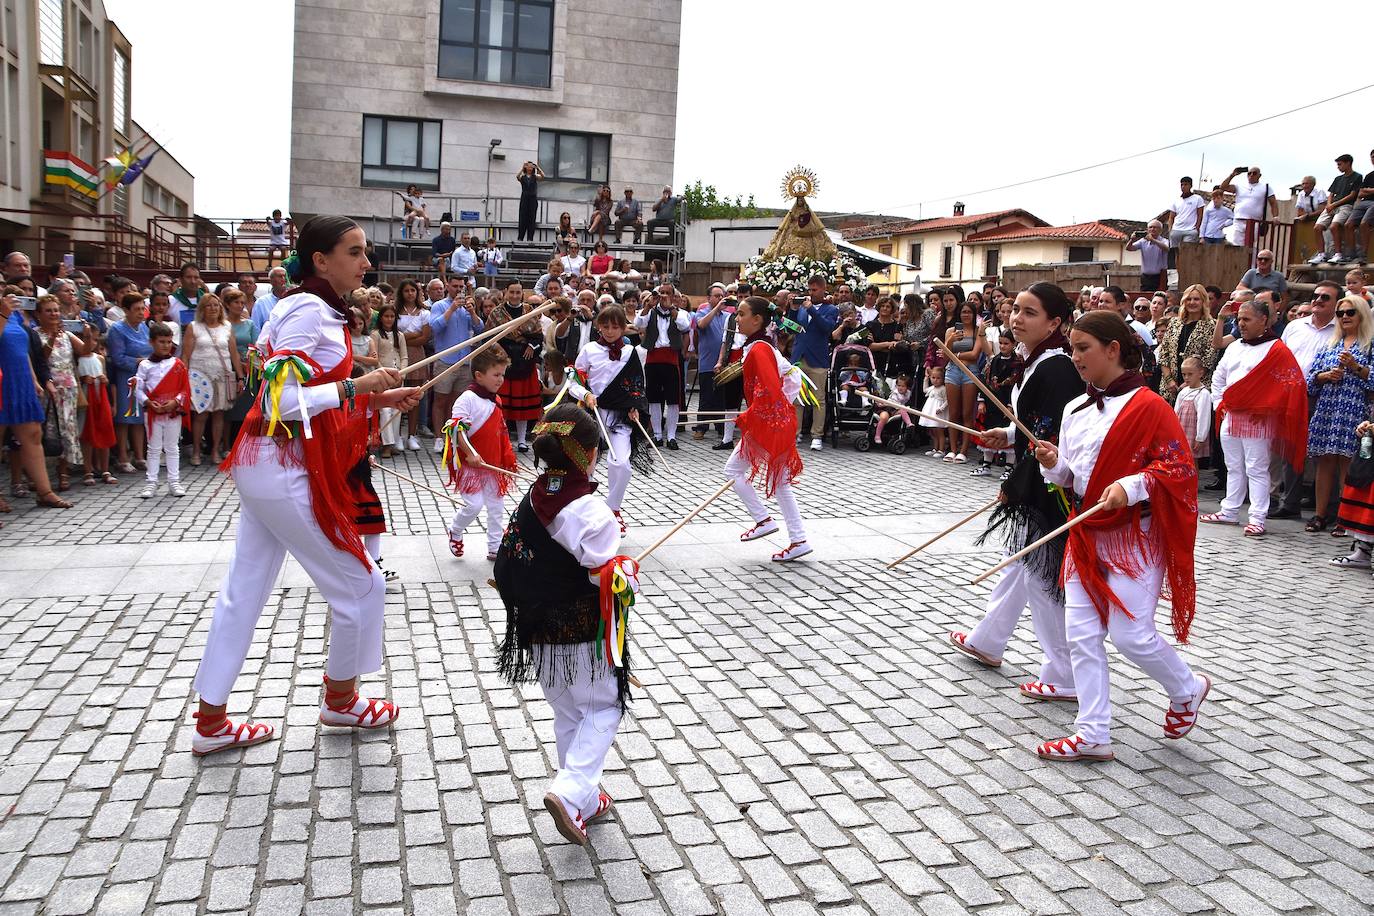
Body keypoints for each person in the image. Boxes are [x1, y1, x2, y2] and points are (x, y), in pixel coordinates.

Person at [190, 216, 421, 756]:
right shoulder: (307, 312)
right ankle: (341, 700)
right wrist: (354, 387)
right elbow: (275, 402)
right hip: (280, 463)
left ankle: (212, 721)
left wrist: (372, 397)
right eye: (355, 251)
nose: (367, 262)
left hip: (271, 463)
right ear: (320, 259)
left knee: (243, 592)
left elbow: (309, 392)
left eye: (365, 252)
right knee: (363, 584)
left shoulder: (313, 309)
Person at [1032, 310, 1209, 762]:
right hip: (1085, 533)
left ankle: (1187, 688)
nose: (1074, 357)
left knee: (1131, 636)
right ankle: (1092, 733)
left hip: (1135, 535)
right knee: (1082, 636)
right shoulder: (1074, 408)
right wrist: (1053, 462)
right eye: (1071, 348)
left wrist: (1129, 487)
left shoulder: (1150, 406)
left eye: (1082, 348)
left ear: (1113, 350)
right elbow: (1071, 479)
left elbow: (1177, 469)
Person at [492, 404, 636, 846]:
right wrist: (625, 570)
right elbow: (602, 577)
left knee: (569, 712)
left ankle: (586, 799)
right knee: (603, 707)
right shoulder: (591, 512)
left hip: (538, 631)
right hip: (580, 633)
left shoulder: (535, 495)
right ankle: (570, 790)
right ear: (590, 455)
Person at [948, 283, 1083, 701]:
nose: (1016, 319)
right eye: (1016, 311)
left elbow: (1054, 437)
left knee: (1041, 578)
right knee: (1019, 566)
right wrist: (1006, 435)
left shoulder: (1057, 368)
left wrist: (1015, 482)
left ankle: (1064, 674)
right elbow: (1030, 425)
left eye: (1029, 313)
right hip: (1037, 475)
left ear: (1055, 322)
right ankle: (988, 639)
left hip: (1050, 484)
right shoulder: (1036, 361)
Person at [1204, 299, 1308, 537]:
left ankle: (1257, 517)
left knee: (1256, 468)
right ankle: (1229, 510)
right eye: (1239, 319)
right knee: (1233, 466)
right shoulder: (1234, 347)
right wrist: (1220, 404)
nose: (1241, 323)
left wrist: (1266, 405)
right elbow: (1218, 378)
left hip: (1258, 419)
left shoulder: (1277, 349)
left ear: (1263, 320)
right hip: (1230, 414)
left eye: (1246, 319)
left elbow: (1291, 383)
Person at [727, 297, 811, 562]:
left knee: (733, 471)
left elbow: (769, 389)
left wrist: (749, 416)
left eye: (741, 314)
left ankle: (764, 520)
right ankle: (796, 538)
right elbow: (780, 385)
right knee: (782, 482)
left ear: (758, 320)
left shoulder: (759, 349)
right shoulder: (760, 346)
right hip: (776, 421)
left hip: (770, 422)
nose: (737, 319)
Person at [573, 305, 652, 535]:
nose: (609, 331)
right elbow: (573, 381)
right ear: (598, 326)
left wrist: (634, 407)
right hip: (592, 414)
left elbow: (637, 385)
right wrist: (585, 394)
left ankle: (613, 509)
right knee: (583, 466)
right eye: (605, 326)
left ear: (624, 328)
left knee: (621, 464)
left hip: (619, 416)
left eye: (615, 327)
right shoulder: (588, 350)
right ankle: (579, 510)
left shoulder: (631, 353)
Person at [1303, 295, 1374, 531]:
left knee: (1348, 463)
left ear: (1362, 314)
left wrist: (1356, 367)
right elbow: (1311, 380)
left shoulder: (1370, 345)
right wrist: (1326, 376)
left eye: (1350, 312)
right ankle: (1320, 515)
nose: (1345, 317)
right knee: (1324, 462)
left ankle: (1345, 518)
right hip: (1328, 409)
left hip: (1356, 409)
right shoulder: (1330, 345)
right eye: (1341, 313)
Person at [443, 347, 518, 560]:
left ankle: (494, 547)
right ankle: (456, 530)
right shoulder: (466, 399)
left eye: (503, 374)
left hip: (491, 462)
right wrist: (470, 454)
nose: (501, 380)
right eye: (496, 375)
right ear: (478, 375)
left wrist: (505, 457)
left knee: (496, 506)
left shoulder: (496, 399)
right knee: (474, 505)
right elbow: (456, 429)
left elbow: (500, 431)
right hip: (470, 463)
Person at [0, 287, 70, 510]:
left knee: (33, 434)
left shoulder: (14, 313)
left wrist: (34, 380)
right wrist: (2, 314)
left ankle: (44, 491)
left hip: (20, 380)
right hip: (1, 380)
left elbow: (22, 350)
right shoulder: (5, 311)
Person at [34, 295, 90, 490]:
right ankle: (35, 474)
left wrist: (88, 334)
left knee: (68, 429)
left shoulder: (66, 334)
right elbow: (41, 358)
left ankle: (63, 472)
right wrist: (51, 338)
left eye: (56, 310)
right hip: (45, 388)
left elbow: (85, 350)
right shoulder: (35, 333)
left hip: (68, 388)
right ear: (39, 314)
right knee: (44, 431)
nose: (53, 314)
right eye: (48, 310)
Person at [183, 293, 243, 465]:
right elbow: (186, 355)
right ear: (202, 308)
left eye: (216, 305)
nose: (213, 308)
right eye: (208, 305)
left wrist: (240, 376)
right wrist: (184, 378)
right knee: (201, 415)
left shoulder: (227, 327)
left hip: (221, 376)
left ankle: (216, 450)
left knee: (219, 414)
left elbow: (234, 354)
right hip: (199, 376)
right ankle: (196, 451)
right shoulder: (193, 327)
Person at [134, 321, 190, 498]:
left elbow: (185, 388)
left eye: (168, 342)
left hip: (172, 412)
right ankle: (151, 483)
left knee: (172, 447)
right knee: (153, 448)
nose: (166, 345)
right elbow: (138, 389)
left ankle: (174, 482)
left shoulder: (178, 364)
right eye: (161, 342)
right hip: (152, 412)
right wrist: (148, 403)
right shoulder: (144, 366)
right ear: (152, 342)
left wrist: (176, 402)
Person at [429, 277, 485, 451]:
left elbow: (480, 329)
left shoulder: (467, 308)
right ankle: (438, 438)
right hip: (445, 361)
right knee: (440, 400)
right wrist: (452, 308)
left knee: (456, 402)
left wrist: (473, 313)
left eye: (461, 287)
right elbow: (435, 327)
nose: (458, 290)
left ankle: (450, 436)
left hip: (464, 362)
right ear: (448, 287)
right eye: (455, 286)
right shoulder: (439, 306)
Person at [633, 288, 690, 448]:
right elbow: (638, 324)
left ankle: (671, 436)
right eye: (661, 293)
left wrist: (671, 308)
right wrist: (647, 305)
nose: (663, 296)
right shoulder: (650, 312)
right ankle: (657, 435)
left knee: (673, 399)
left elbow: (684, 326)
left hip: (671, 358)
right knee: (654, 398)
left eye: (667, 293)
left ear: (673, 296)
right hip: (653, 357)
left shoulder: (680, 313)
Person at [492, 293, 544, 451]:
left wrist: (531, 345)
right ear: (506, 292)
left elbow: (538, 337)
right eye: (511, 291)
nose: (514, 295)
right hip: (504, 365)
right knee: (504, 406)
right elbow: (490, 337)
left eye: (517, 292)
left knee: (523, 405)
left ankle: (522, 441)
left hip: (525, 363)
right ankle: (503, 440)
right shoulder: (497, 313)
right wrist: (498, 348)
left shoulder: (530, 311)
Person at [108, 291, 151, 473]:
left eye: (143, 308)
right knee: (125, 418)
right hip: (126, 377)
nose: (141, 313)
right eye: (136, 309)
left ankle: (140, 456)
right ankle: (123, 457)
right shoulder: (117, 329)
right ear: (126, 310)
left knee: (140, 418)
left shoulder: (144, 328)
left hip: (144, 377)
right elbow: (117, 357)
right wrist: (137, 361)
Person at [1157, 284, 1219, 404]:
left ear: (1203, 302)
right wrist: (1170, 381)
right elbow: (1164, 354)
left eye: (1196, 299)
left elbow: (1209, 359)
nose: (1192, 302)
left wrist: (1187, 383)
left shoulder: (1211, 325)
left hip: (1196, 390)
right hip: (1170, 388)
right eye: (1188, 299)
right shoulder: (1174, 323)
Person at [943, 300, 987, 463]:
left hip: (971, 372)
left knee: (967, 413)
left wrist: (956, 355)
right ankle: (952, 449)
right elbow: (945, 355)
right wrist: (950, 341)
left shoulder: (978, 331)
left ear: (974, 314)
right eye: (963, 312)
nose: (966, 315)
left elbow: (975, 355)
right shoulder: (951, 331)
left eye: (969, 312)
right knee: (953, 413)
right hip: (952, 371)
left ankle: (964, 451)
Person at [77, 333, 116, 485]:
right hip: (86, 400)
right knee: (86, 434)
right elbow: (75, 377)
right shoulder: (78, 359)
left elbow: (105, 377)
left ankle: (105, 469)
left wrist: (104, 380)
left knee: (104, 430)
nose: (91, 342)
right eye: (87, 339)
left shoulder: (100, 358)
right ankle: (88, 470)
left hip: (101, 399)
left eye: (94, 339)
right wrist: (83, 379)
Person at [371, 303, 409, 457]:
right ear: (381, 317)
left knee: (397, 410)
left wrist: (402, 374)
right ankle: (386, 444)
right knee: (385, 410)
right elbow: (376, 358)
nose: (389, 319)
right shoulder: (376, 335)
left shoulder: (400, 335)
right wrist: (384, 374)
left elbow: (404, 356)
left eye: (392, 316)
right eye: (386, 316)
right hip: (382, 377)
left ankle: (393, 443)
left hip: (398, 376)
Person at [1311, 154, 1363, 265]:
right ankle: (1321, 254)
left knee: (1334, 226)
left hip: (1346, 205)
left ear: (1348, 163)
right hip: (1332, 206)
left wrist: (1334, 205)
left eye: (1340, 164)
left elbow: (1352, 195)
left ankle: (1338, 254)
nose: (1338, 167)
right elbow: (1331, 194)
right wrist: (1329, 204)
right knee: (1317, 227)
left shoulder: (1357, 176)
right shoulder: (1338, 178)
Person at [1219, 166, 1276, 256]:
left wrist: (1275, 217)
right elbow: (1223, 187)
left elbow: (1273, 203)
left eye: (1254, 173)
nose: (1251, 175)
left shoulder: (1265, 187)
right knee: (1237, 245)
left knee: (1250, 245)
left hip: (1255, 221)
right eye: (1249, 173)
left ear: (1259, 175)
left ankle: (1250, 265)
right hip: (1239, 219)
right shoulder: (1240, 186)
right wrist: (1232, 175)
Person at [1173, 356, 1212, 465]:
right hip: (1181, 431)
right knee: (1180, 460)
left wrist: (1200, 437)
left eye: (1190, 374)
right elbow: (1176, 413)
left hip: (1192, 433)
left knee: (1192, 462)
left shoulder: (1203, 394)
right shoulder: (1183, 392)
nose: (1186, 378)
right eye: (1184, 374)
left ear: (1200, 373)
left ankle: (1194, 481)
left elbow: (1203, 417)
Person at [1163, 176, 1206, 250]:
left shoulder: (1197, 198)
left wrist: (1197, 228)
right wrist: (1170, 229)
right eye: (1182, 185)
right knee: (1174, 252)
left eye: (1186, 184)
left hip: (1190, 230)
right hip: (1176, 230)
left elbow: (1200, 215)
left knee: (1186, 251)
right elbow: (1171, 217)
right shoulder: (1176, 200)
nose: (1183, 187)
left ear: (1190, 186)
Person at [1126, 221, 1169, 293]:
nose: (1152, 229)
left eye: (1155, 227)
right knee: (1144, 295)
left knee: (1160, 296)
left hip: (1160, 276)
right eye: (1150, 227)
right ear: (1147, 229)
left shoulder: (1164, 240)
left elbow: (1166, 248)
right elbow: (1129, 248)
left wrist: (1153, 240)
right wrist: (1132, 240)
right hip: (1146, 276)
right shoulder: (1143, 241)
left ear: (1160, 230)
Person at [919, 366, 949, 457]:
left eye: (938, 378)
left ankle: (941, 449)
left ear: (943, 379)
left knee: (939, 431)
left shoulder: (943, 389)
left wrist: (942, 408)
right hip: (930, 410)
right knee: (933, 431)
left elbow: (947, 400)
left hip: (938, 411)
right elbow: (924, 390)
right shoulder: (932, 388)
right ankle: (935, 448)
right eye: (933, 378)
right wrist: (926, 379)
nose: (935, 380)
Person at [252, 267, 290, 335]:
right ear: (271, 281)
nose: (284, 279)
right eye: (280, 276)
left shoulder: (294, 300)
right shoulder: (261, 303)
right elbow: (256, 329)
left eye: (285, 276)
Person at [516, 161, 544, 242]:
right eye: (528, 166)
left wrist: (538, 168)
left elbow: (542, 176)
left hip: (532, 198)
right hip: (524, 198)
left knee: (532, 218)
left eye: (531, 167)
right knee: (523, 217)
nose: (530, 168)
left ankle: (530, 237)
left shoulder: (535, 176)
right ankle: (520, 237)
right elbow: (517, 177)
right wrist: (522, 168)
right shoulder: (523, 177)